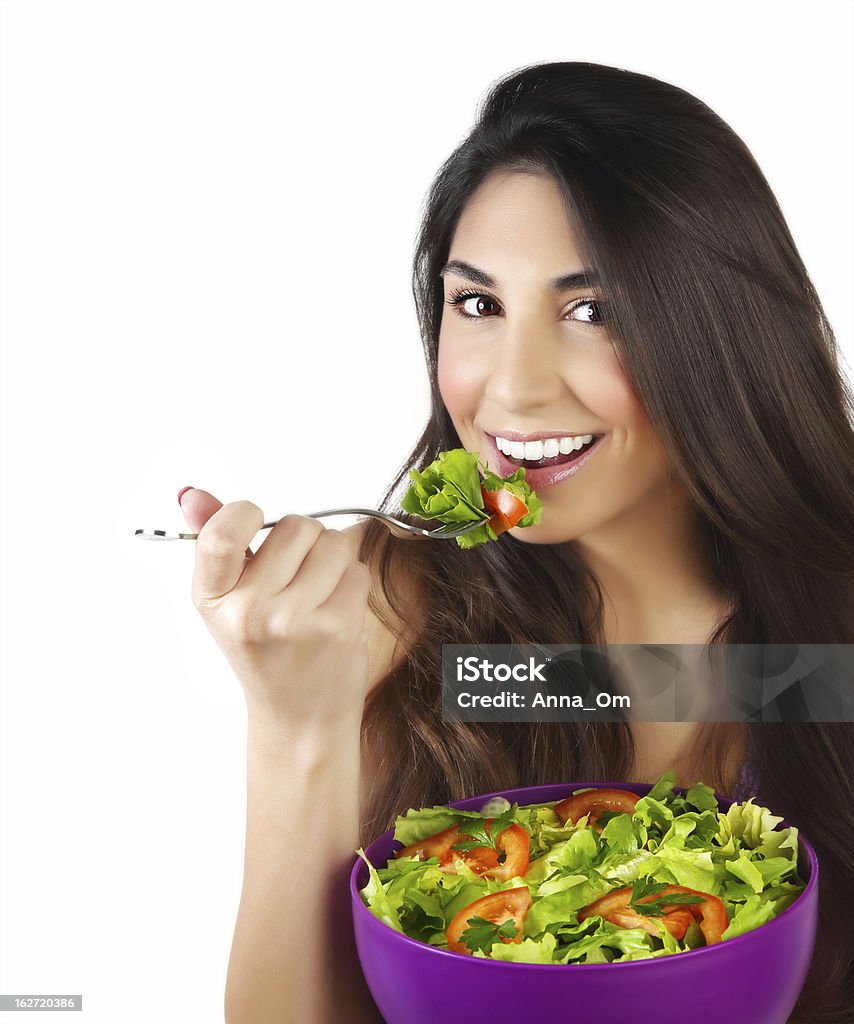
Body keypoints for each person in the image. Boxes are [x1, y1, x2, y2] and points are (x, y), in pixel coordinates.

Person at [178, 62, 854, 1024]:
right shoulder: (388, 609)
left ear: (723, 331)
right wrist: (297, 729)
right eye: (478, 305)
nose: (513, 390)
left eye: (595, 310)